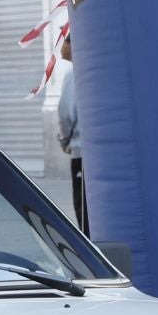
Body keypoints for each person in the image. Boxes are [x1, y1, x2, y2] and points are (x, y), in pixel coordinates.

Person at [55, 32, 88, 234]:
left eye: (65, 40)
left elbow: (66, 112)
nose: (61, 46)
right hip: (94, 153)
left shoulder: (74, 73)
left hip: (81, 153)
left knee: (83, 211)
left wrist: (64, 140)